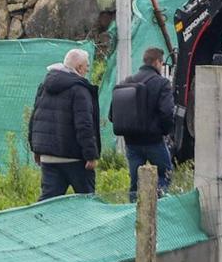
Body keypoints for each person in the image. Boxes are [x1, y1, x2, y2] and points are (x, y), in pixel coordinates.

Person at [28, 48, 101, 200]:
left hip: (49, 157)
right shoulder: (80, 89)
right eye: (87, 66)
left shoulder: (45, 86)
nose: (88, 69)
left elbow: (34, 118)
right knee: (87, 201)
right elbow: (84, 125)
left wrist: (36, 149)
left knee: (48, 203)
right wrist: (90, 155)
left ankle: (37, 223)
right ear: (79, 68)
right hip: (74, 157)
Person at [115, 47, 176, 200]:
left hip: (131, 142)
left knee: (135, 182)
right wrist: (165, 131)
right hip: (154, 141)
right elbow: (167, 112)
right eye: (162, 63)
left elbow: (113, 113)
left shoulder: (127, 82)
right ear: (157, 62)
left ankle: (134, 212)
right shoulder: (162, 83)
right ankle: (157, 206)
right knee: (165, 174)